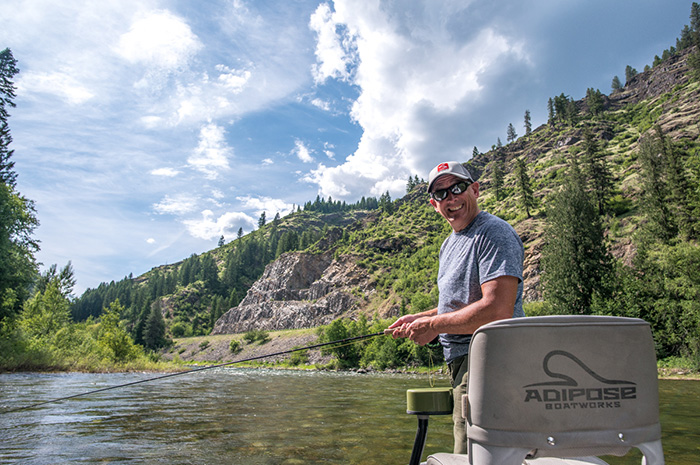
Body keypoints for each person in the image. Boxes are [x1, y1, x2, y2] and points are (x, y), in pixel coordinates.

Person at [388, 160, 524, 454]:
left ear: (475, 189)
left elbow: (497, 310)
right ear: (434, 204)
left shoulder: (493, 233)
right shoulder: (449, 244)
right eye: (441, 194)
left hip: (490, 362)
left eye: (458, 188)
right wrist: (419, 319)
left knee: (474, 455)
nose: (451, 198)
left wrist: (433, 327)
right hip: (465, 362)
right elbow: (461, 305)